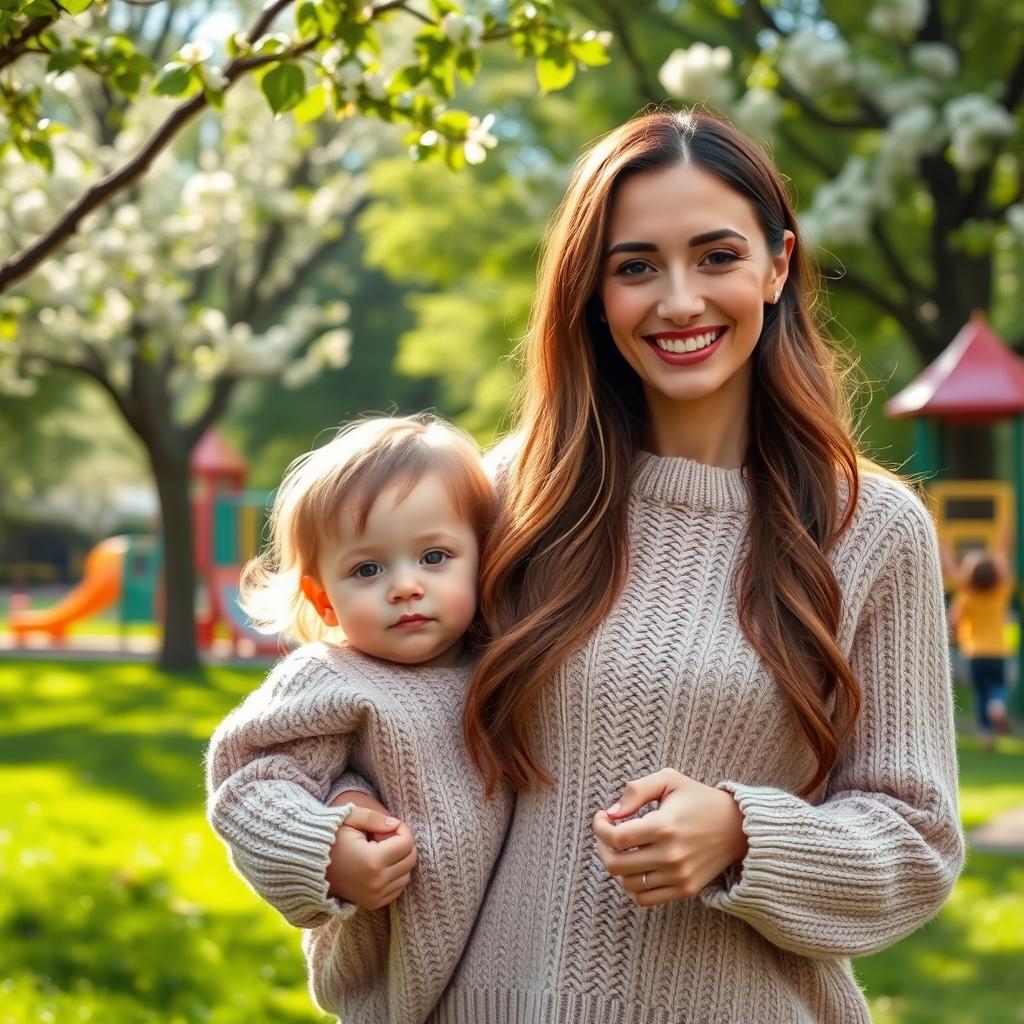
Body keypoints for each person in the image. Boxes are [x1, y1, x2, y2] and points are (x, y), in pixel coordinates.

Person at [331, 109, 965, 1023]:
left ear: (778, 265)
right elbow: (360, 718)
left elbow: (917, 843)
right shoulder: (503, 498)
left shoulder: (871, 528)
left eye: (716, 257)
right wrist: (338, 837)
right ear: (593, 290)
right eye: (636, 267)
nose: (678, 302)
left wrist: (744, 836)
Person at [205, 415, 511, 1023]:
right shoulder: (333, 679)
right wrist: (324, 852)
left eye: (433, 556)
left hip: (511, 975)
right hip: (393, 992)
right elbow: (250, 786)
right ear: (324, 599)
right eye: (368, 569)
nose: (404, 586)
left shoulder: (499, 666)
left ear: (483, 559)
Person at [944, 533, 1014, 750]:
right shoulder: (1001, 591)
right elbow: (1003, 561)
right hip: (998, 651)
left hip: (973, 652)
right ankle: (998, 706)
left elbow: (953, 621)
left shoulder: (966, 595)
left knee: (980, 693)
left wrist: (944, 547)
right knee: (998, 686)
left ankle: (986, 736)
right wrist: (1005, 539)